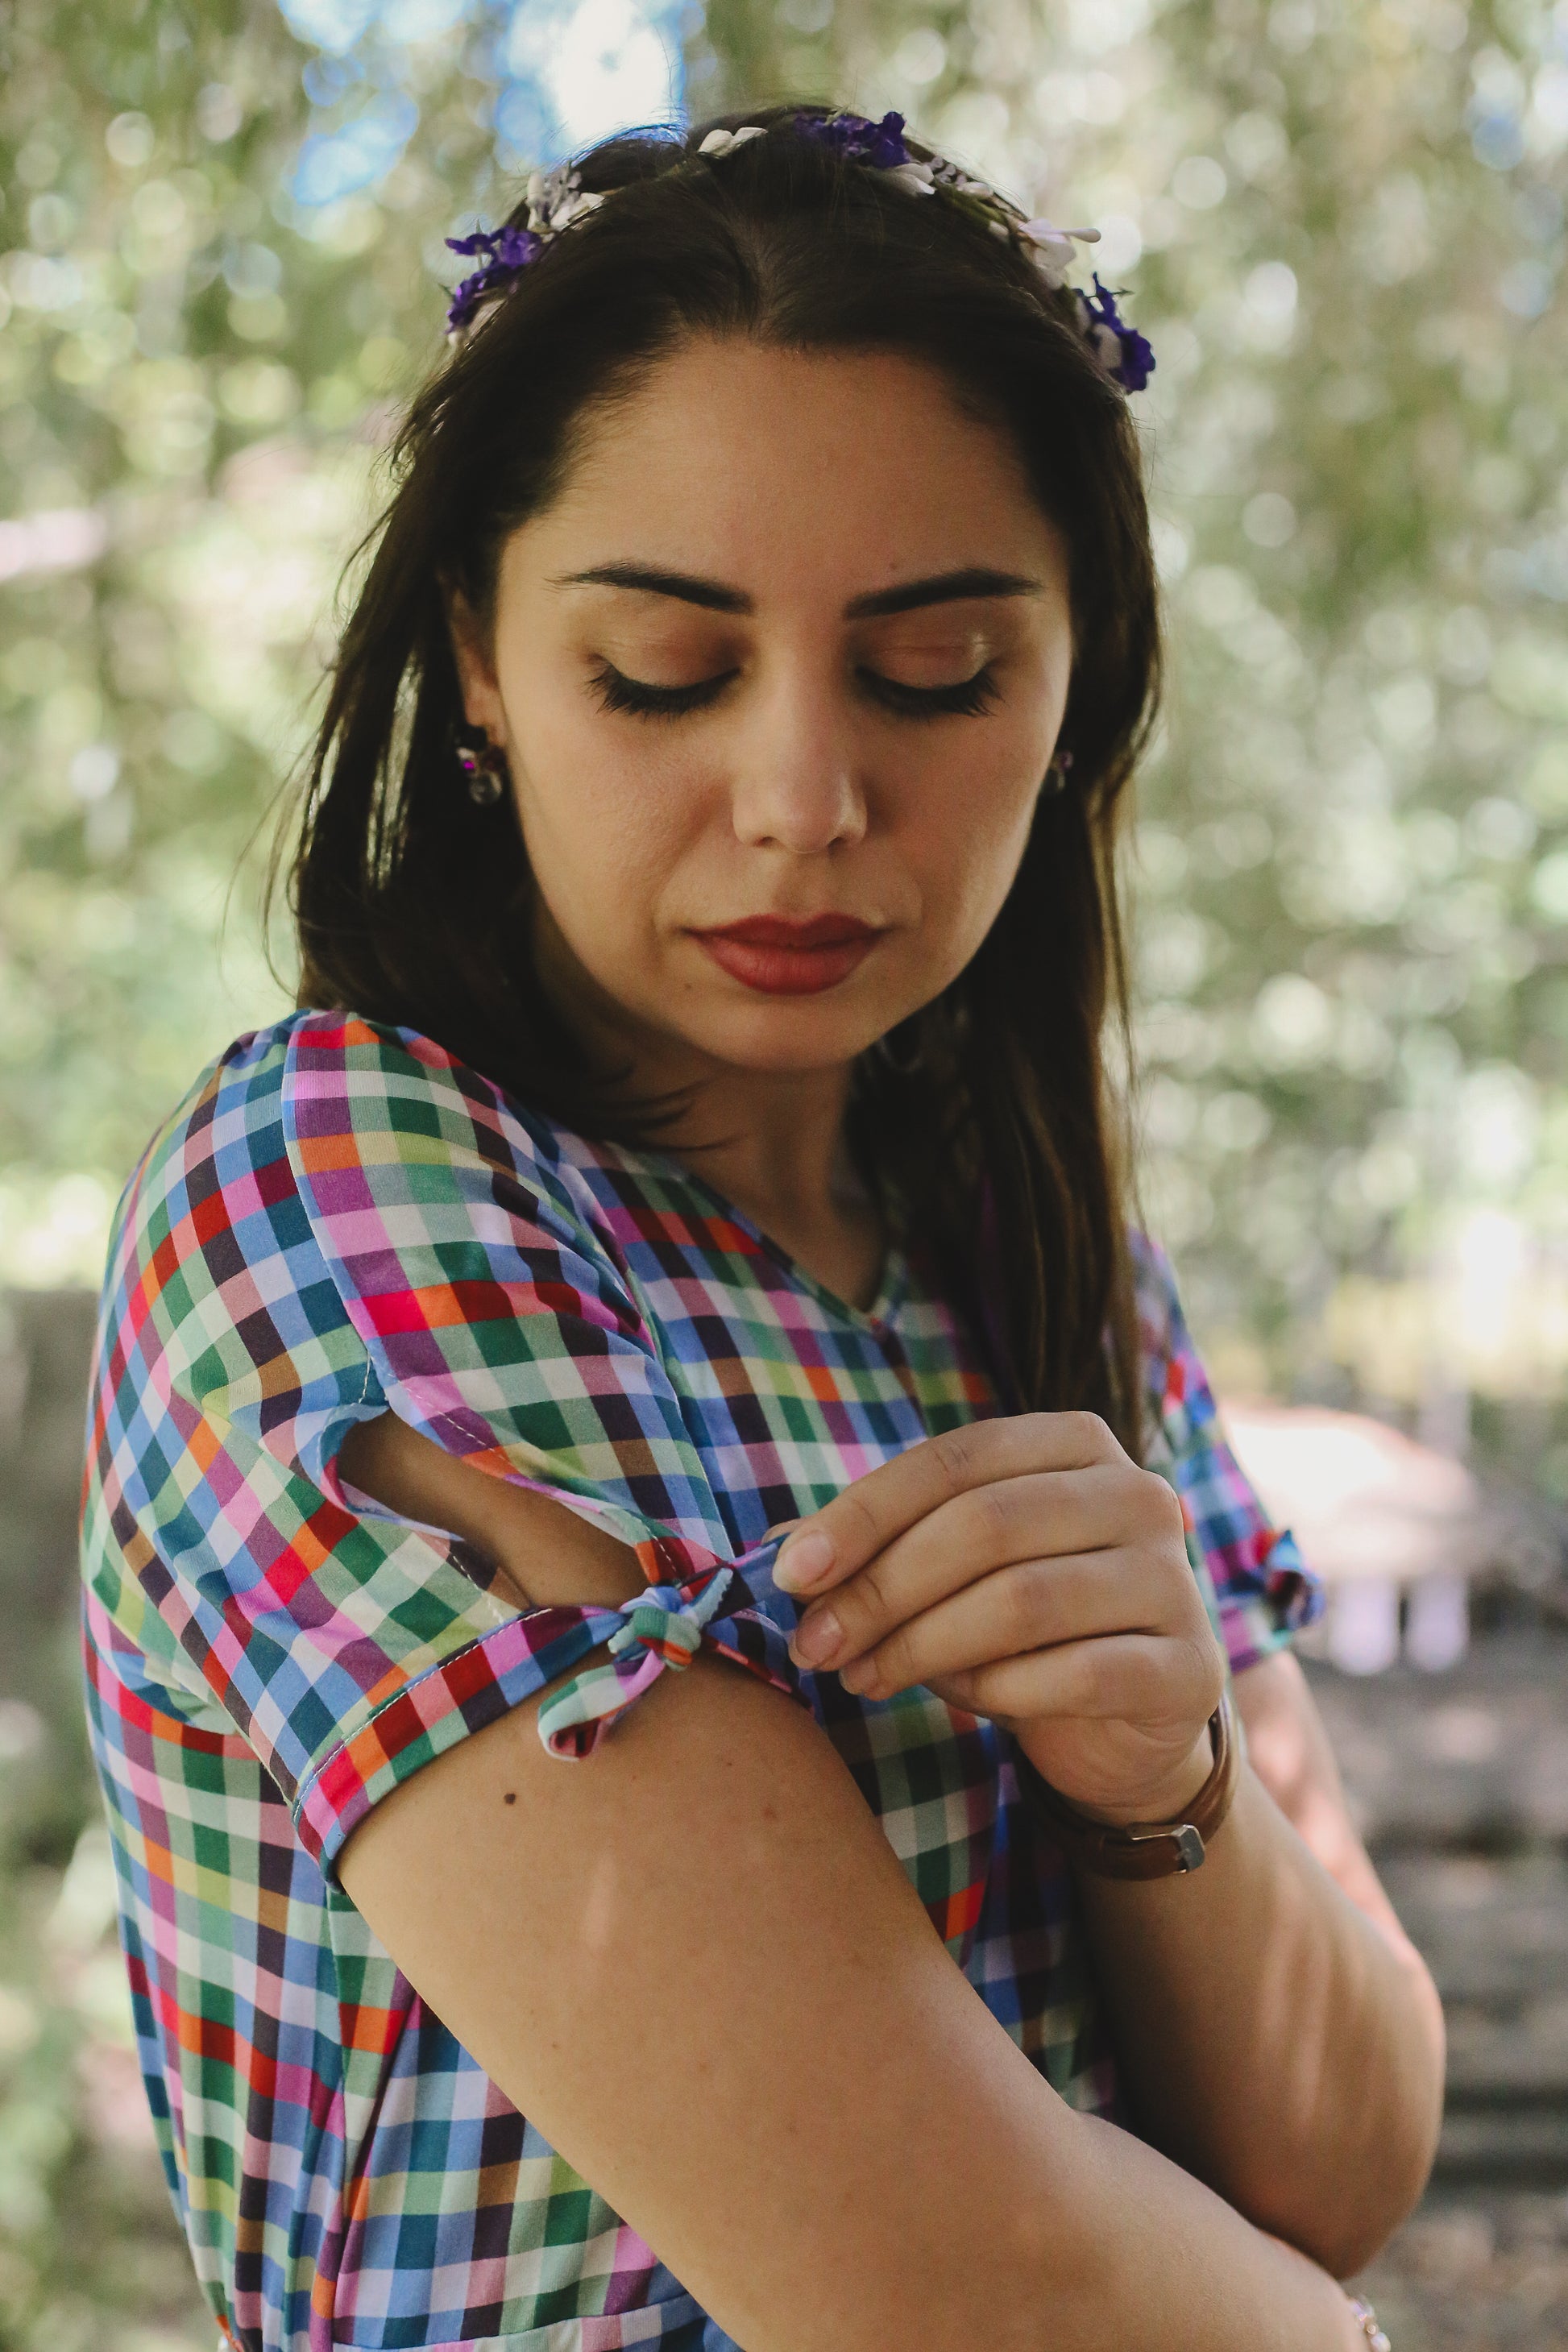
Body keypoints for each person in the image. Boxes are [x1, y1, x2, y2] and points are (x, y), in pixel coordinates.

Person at [81, 103, 1442, 2352]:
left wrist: (1162, 1784)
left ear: (1072, 687)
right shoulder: (344, 1199)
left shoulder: (1040, 1250)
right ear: (482, 660)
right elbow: (951, 2276)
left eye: (935, 671)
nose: (804, 800)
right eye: (662, 669)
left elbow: (1344, 2156)